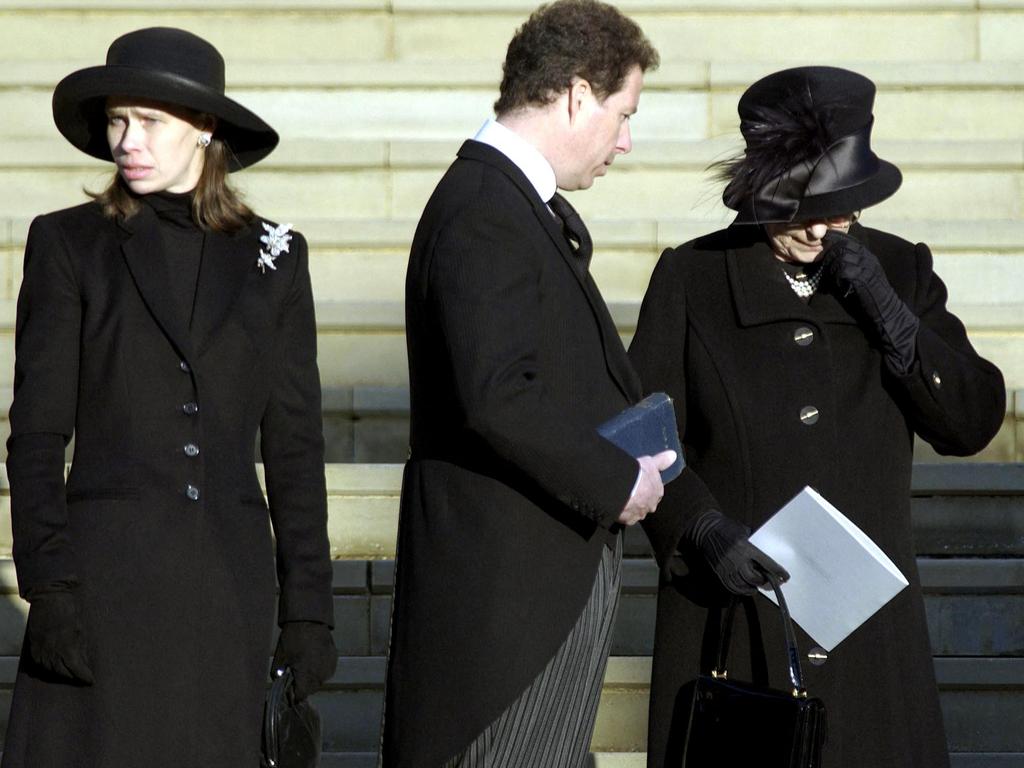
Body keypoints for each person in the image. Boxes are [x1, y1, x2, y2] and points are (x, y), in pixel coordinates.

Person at [630, 65, 1006, 767]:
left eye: (846, 206)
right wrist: (700, 526)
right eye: (810, 205)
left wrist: (893, 318)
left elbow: (973, 420)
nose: (830, 226)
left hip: (869, 632)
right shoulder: (692, 278)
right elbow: (643, 430)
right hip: (736, 615)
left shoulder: (898, 268)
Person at [3, 27, 337, 767]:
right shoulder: (69, 245)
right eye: (118, 121)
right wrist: (51, 587)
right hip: (104, 592)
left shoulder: (275, 258)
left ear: (204, 128)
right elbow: (35, 435)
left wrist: (309, 610)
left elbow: (294, 447)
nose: (128, 140)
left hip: (227, 597)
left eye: (149, 121)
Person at [379, 2, 668, 765]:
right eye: (622, 113)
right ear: (576, 95)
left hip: (528, 603)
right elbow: (498, 395)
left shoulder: (508, 205)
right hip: (504, 623)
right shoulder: (484, 209)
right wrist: (617, 482)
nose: (626, 141)